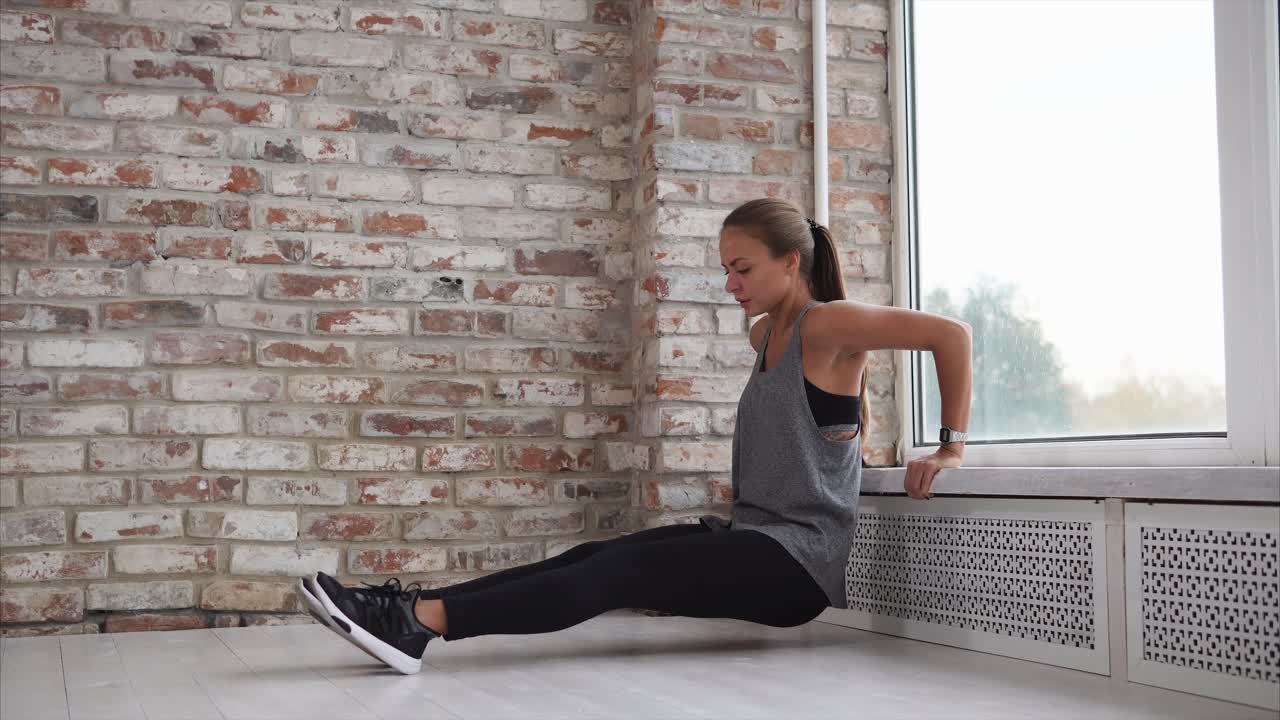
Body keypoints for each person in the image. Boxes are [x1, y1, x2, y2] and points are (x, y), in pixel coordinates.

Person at [299, 198, 974, 675]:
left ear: (791, 262)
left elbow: (951, 335)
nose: (730, 282)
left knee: (617, 574)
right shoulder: (766, 333)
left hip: (797, 563)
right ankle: (414, 609)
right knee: (599, 553)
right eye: (726, 268)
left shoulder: (829, 324)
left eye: (743, 268)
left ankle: (418, 624)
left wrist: (950, 445)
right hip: (753, 537)